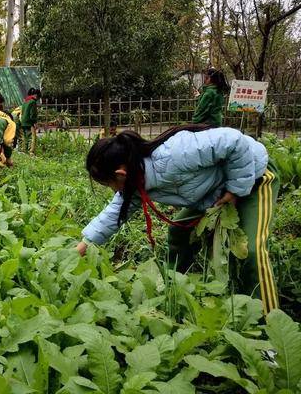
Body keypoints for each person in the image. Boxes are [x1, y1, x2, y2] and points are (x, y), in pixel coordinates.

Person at [76, 126, 279, 313]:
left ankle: (268, 320)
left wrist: (235, 190)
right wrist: (84, 245)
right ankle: (174, 288)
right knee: (179, 233)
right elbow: (114, 213)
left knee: (252, 250)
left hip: (254, 177)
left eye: (109, 184)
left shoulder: (176, 153)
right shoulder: (136, 180)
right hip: (215, 195)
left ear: (120, 174)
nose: (113, 190)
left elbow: (235, 142)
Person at [19, 88, 41, 153]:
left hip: (23, 122)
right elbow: (32, 114)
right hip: (29, 122)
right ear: (36, 95)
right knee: (32, 138)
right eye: (38, 97)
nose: (37, 99)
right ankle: (31, 152)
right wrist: (35, 122)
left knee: (25, 137)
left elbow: (22, 112)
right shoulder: (33, 102)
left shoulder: (25, 101)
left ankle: (24, 151)